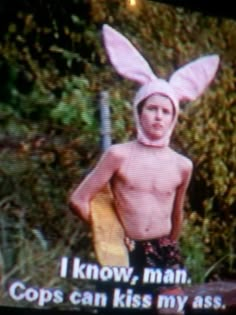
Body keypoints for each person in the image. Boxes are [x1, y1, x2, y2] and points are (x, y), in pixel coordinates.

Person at [69, 25, 220, 314]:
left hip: (163, 253)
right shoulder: (118, 155)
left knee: (171, 311)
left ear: (174, 117)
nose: (158, 117)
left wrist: (171, 248)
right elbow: (78, 200)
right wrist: (108, 233)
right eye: (152, 109)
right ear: (139, 111)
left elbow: (177, 212)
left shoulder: (181, 165)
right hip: (120, 252)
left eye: (166, 111)